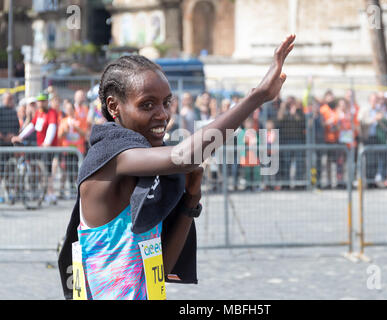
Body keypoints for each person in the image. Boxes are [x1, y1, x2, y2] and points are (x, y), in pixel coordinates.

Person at [57, 35, 296, 300]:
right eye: (147, 104)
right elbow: (183, 156)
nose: (162, 114)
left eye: (166, 102)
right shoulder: (109, 156)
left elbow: (158, 272)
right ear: (114, 106)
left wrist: (190, 202)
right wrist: (257, 96)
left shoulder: (146, 174)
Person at [11, 92, 59, 204]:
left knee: (48, 171)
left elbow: (52, 127)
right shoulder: (38, 113)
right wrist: (20, 136)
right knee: (40, 169)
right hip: (39, 146)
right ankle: (46, 192)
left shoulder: (51, 113)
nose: (41, 103)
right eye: (39, 101)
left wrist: (47, 142)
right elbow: (32, 126)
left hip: (49, 147)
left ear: (47, 101)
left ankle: (50, 193)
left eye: (43, 101)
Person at [58, 100, 89, 195]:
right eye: (67, 109)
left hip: (78, 150)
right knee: (69, 169)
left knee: (77, 169)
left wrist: (77, 128)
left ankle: (78, 188)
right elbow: (59, 136)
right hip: (67, 149)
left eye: (71, 109)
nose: (69, 111)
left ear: (74, 110)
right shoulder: (63, 121)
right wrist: (64, 132)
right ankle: (71, 187)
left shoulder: (80, 120)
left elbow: (85, 133)